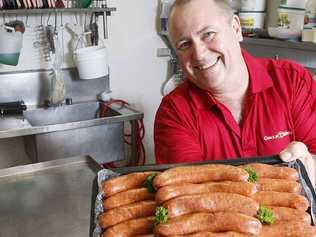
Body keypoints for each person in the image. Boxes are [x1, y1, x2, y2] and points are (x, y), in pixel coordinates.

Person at [154, 0, 316, 185]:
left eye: (208, 34)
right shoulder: (174, 113)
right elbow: (191, 194)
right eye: (184, 44)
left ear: (236, 28)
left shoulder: (293, 82)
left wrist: (310, 164)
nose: (199, 54)